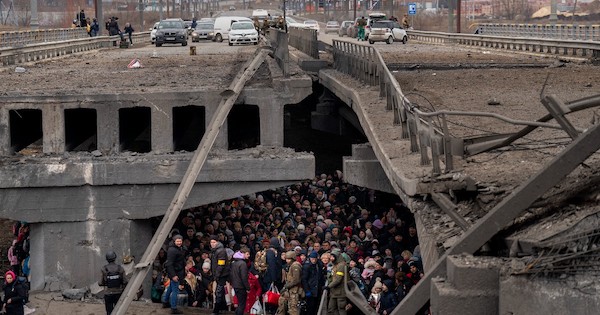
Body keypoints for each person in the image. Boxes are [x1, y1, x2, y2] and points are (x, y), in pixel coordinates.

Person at [99, 251, 127, 315]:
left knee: (109, 312)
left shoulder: (104, 269)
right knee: (118, 311)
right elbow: (125, 281)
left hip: (108, 294)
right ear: (115, 258)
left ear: (107, 259)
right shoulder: (120, 268)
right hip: (118, 293)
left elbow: (100, 283)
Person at [163, 234, 185, 314]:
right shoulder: (172, 250)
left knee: (171, 288)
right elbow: (169, 264)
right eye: (177, 241)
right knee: (175, 290)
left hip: (178, 270)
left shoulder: (178, 248)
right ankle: (174, 308)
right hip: (175, 272)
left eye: (180, 241)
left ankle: (165, 302)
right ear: (174, 241)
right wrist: (173, 275)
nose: (179, 242)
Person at [276, 251, 303, 315]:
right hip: (289, 290)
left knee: (293, 309)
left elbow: (296, 280)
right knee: (282, 305)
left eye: (289, 259)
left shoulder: (295, 266)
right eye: (286, 259)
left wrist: (286, 286)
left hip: (294, 290)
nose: (287, 261)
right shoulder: (291, 266)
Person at [210, 235, 230, 315]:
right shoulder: (215, 250)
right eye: (211, 242)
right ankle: (221, 307)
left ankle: (217, 309)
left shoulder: (220, 251)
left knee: (218, 292)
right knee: (219, 292)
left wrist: (217, 275)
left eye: (214, 242)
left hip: (221, 274)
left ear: (217, 242)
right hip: (219, 274)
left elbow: (221, 264)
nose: (212, 244)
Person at [230, 248, 250, 315]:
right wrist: (247, 287)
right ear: (243, 254)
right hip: (241, 286)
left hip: (235, 285)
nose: (249, 255)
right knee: (242, 305)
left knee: (239, 304)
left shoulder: (234, 262)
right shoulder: (243, 264)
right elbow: (244, 277)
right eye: (247, 254)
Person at [301, 250, 322, 315]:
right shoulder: (307, 266)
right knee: (310, 307)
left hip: (317, 289)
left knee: (316, 307)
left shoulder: (318, 265)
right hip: (310, 289)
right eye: (312, 258)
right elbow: (304, 279)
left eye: (315, 259)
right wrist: (307, 291)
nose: (314, 260)